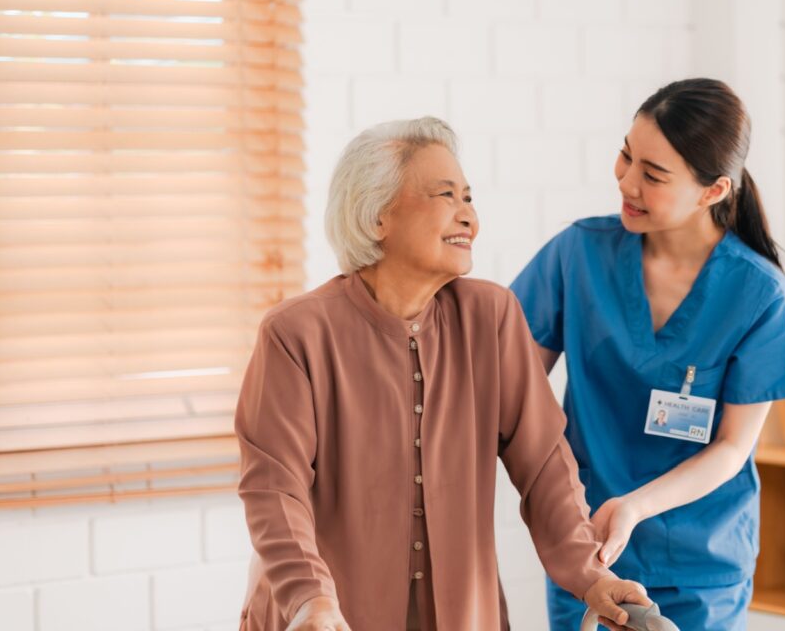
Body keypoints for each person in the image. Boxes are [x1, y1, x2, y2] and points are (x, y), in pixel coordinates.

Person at [234, 117, 651, 631]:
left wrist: (592, 576)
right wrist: (308, 597)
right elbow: (276, 489)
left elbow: (544, 465)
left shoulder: (492, 316)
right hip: (325, 618)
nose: (469, 218)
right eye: (446, 196)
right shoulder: (295, 334)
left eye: (470, 199)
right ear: (377, 216)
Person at [510, 79, 785, 631]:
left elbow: (733, 446)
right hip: (588, 555)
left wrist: (637, 505)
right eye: (626, 155)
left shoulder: (758, 294)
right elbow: (506, 386)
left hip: (699, 563)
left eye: (654, 173)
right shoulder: (579, 255)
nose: (626, 181)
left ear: (712, 191)